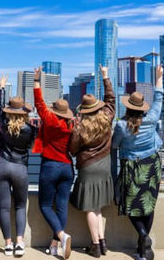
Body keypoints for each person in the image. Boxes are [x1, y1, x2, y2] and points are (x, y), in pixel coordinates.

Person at [112, 65, 164, 260]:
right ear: (142, 107)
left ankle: (142, 236)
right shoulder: (151, 119)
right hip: (151, 165)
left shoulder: (121, 125)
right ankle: (144, 246)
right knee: (148, 205)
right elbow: (159, 98)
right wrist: (159, 77)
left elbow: (115, 145)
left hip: (131, 168)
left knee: (130, 206)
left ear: (127, 106)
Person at [69, 65, 115, 258]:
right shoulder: (107, 117)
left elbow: (72, 150)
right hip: (105, 165)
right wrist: (105, 77)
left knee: (90, 207)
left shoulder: (80, 128)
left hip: (88, 167)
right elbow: (111, 100)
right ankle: (103, 243)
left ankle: (95, 245)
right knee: (98, 207)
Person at [33, 67, 74, 260]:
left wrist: (36, 81)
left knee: (45, 205)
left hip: (50, 166)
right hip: (67, 167)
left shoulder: (50, 121)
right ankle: (55, 245)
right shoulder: (71, 125)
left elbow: (39, 104)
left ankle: (61, 235)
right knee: (62, 206)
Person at [0, 75, 37, 256]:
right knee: (20, 206)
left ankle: (8, 244)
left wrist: (2, 88)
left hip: (2, 165)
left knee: (4, 207)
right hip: (20, 168)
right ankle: (20, 243)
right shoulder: (31, 130)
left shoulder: (3, 124)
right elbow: (31, 147)